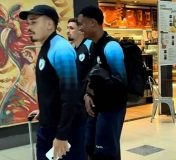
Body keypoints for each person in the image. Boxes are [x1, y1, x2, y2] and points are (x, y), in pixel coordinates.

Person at [19, 5, 86, 160]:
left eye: (33, 22)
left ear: (49, 24)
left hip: (65, 131)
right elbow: (53, 88)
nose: (28, 28)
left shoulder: (61, 49)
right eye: (28, 23)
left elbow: (70, 96)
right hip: (49, 126)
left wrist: (62, 135)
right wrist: (45, 110)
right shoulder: (47, 47)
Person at [77, 6, 127, 160]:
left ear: (92, 23)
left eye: (81, 24)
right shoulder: (92, 46)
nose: (80, 28)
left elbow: (121, 84)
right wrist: (87, 94)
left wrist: (101, 85)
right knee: (91, 148)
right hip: (96, 108)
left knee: (106, 152)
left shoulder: (111, 47)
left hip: (111, 109)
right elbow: (89, 77)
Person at [67, 18, 94, 105]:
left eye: (71, 28)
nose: (68, 31)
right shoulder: (71, 49)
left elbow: (95, 72)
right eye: (67, 28)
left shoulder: (90, 45)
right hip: (76, 100)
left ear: (81, 30)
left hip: (89, 99)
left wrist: (89, 93)